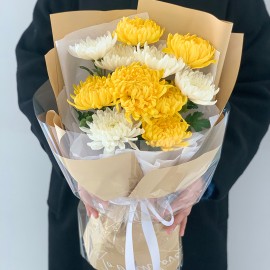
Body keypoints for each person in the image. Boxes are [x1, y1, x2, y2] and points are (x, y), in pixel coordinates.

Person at [16, 0, 270, 269]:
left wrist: (203, 180)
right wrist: (75, 166)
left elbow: (259, 83)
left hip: (187, 220)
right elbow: (35, 64)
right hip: (88, 209)